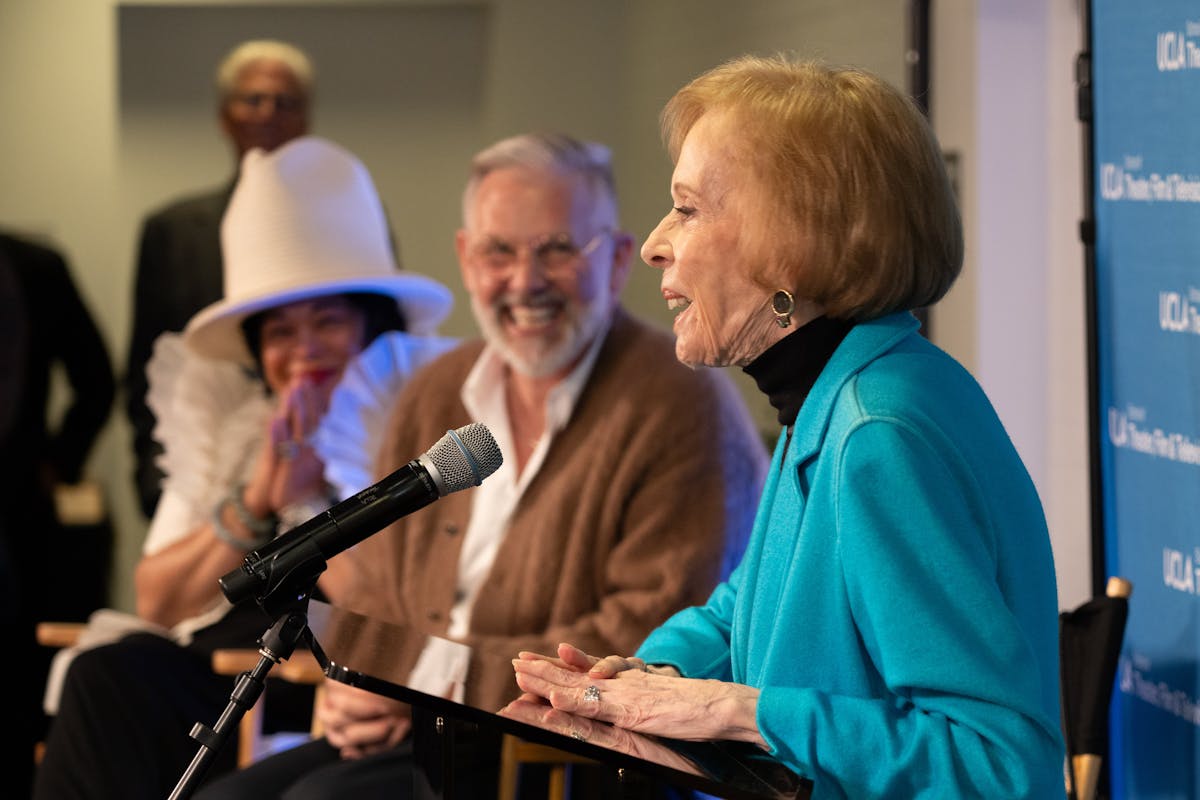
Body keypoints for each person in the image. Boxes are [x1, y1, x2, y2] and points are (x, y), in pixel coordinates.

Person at [505, 56, 1066, 799]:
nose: (655, 243)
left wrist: (738, 711)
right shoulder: (842, 391)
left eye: (689, 208)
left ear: (792, 243)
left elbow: (998, 767)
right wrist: (646, 674)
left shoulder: (880, 435)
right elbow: (751, 614)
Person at [194, 132, 769, 799]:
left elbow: (643, 640)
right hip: (424, 727)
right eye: (500, 251)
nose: (524, 282)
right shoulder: (435, 391)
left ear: (615, 261)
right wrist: (353, 687)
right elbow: (378, 588)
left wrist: (419, 686)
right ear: (467, 260)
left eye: (556, 249)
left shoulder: (680, 402)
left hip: (562, 753)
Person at [32, 136, 456, 800]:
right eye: (281, 333)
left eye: (328, 322)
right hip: (225, 673)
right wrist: (262, 491)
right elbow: (157, 600)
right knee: (105, 674)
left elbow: (396, 615)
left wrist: (325, 485)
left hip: (327, 683)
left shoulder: (421, 420)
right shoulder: (234, 424)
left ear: (371, 325)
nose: (304, 352)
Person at [125, 38, 314, 518]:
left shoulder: (341, 226)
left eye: (286, 102)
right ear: (225, 116)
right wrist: (153, 473)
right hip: (198, 469)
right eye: (253, 99)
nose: (269, 112)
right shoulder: (172, 230)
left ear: (305, 121)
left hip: (319, 469)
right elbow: (144, 358)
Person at [0, 231, 115, 797]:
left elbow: (95, 378)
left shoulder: (34, 266)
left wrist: (58, 463)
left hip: (15, 507)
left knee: (18, 677)